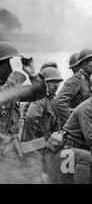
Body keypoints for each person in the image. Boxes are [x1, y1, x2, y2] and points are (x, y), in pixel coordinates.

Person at [0, 42, 47, 183]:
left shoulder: (9, 87)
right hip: (4, 153)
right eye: (4, 63)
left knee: (35, 166)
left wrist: (33, 75)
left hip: (10, 150)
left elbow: (39, 94)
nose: (8, 68)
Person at [54, 48, 92, 127]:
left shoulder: (89, 80)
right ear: (83, 65)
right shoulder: (76, 80)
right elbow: (59, 101)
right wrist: (73, 124)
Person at [24, 67, 63, 141]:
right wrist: (29, 143)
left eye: (57, 82)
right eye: (52, 82)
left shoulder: (51, 98)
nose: (56, 85)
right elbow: (31, 117)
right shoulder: (40, 99)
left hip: (47, 139)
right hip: (37, 142)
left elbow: (56, 123)